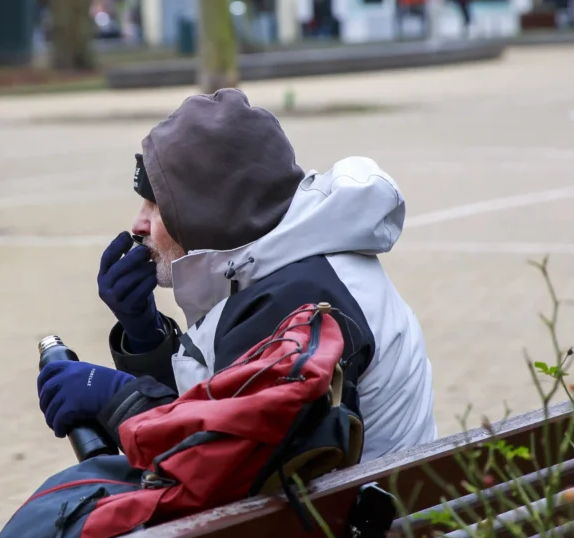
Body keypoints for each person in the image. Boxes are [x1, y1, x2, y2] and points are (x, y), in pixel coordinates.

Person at [38, 88, 437, 463]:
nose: (138, 224)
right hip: (369, 514)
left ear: (208, 211)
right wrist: (147, 339)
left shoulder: (292, 300)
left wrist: (118, 398)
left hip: (341, 530)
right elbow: (227, 404)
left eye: (156, 206)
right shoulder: (286, 264)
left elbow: (228, 462)